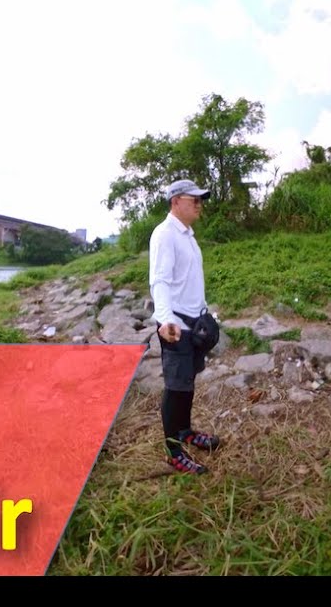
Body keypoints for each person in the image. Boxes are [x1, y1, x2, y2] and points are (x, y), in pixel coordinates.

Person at [149, 178, 223, 474]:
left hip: (194, 325)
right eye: (194, 199)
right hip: (176, 326)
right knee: (175, 387)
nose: (199, 204)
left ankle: (185, 432)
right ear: (176, 201)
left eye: (200, 199)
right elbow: (160, 281)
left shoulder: (187, 235)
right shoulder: (165, 234)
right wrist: (165, 319)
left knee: (187, 384)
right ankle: (173, 451)